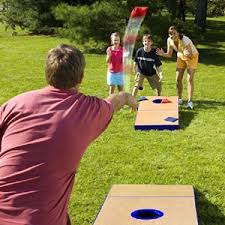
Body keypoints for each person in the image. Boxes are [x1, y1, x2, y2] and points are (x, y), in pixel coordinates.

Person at [0, 44, 137, 225]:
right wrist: (127, 97)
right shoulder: (87, 109)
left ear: (48, 73)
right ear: (81, 77)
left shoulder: (15, 104)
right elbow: (115, 101)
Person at [156, 26, 199, 109]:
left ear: (178, 33)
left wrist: (187, 54)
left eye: (174, 33)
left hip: (192, 57)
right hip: (181, 57)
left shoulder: (185, 40)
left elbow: (190, 55)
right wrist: (162, 54)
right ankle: (179, 99)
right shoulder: (169, 40)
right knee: (178, 79)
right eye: (170, 34)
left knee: (189, 79)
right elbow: (169, 54)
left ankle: (190, 102)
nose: (172, 35)